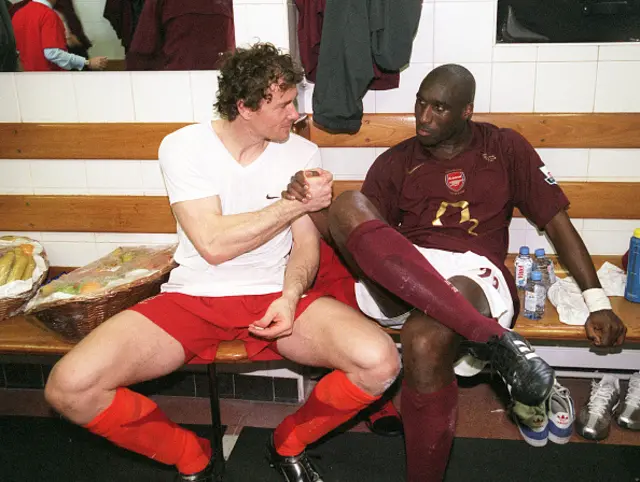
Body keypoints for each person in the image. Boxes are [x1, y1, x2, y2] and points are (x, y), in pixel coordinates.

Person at [44, 43, 401, 482]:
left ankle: (286, 443)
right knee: (69, 387)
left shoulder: (300, 153)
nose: (297, 114)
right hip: (193, 297)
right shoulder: (183, 146)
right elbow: (213, 244)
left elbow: (305, 245)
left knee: (380, 362)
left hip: (273, 292)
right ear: (245, 107)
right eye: (285, 103)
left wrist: (290, 298)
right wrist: (293, 204)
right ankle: (190, 456)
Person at [284, 64, 627, 481]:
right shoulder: (396, 161)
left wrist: (596, 302)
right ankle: (494, 340)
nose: (424, 117)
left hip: (472, 272)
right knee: (347, 203)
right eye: (420, 104)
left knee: (426, 337)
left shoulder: (504, 148)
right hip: (401, 271)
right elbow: (357, 239)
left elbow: (557, 222)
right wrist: (308, 202)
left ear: (467, 111)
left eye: (440, 109)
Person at [11, 0, 106, 71]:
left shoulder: (18, 14)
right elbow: (52, 53)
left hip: (26, 77)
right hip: (51, 78)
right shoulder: (49, 14)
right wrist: (87, 62)